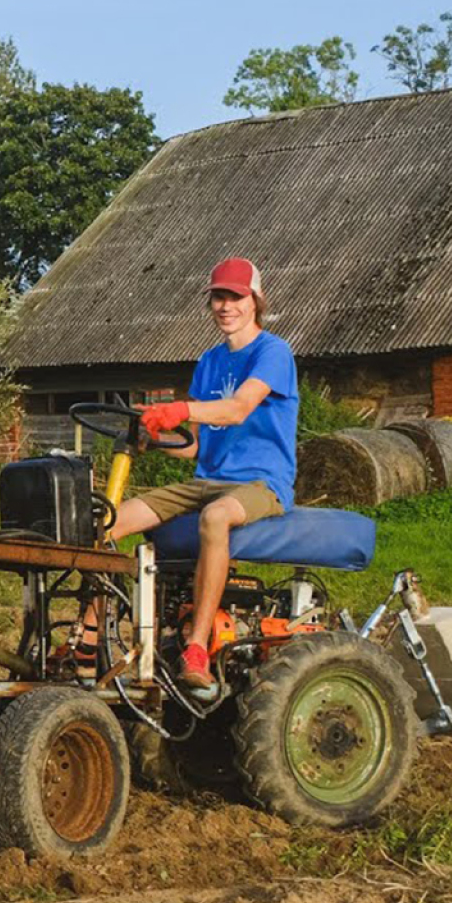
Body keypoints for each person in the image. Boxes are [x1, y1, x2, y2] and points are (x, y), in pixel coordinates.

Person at [79, 256, 298, 690]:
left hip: (261, 482)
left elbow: (237, 410)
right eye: (218, 297)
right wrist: (152, 435)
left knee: (215, 517)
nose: (226, 306)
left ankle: (197, 648)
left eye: (235, 297)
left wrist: (179, 408)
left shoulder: (273, 352)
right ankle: (88, 636)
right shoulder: (209, 362)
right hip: (206, 480)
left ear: (255, 300)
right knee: (105, 522)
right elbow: (195, 446)